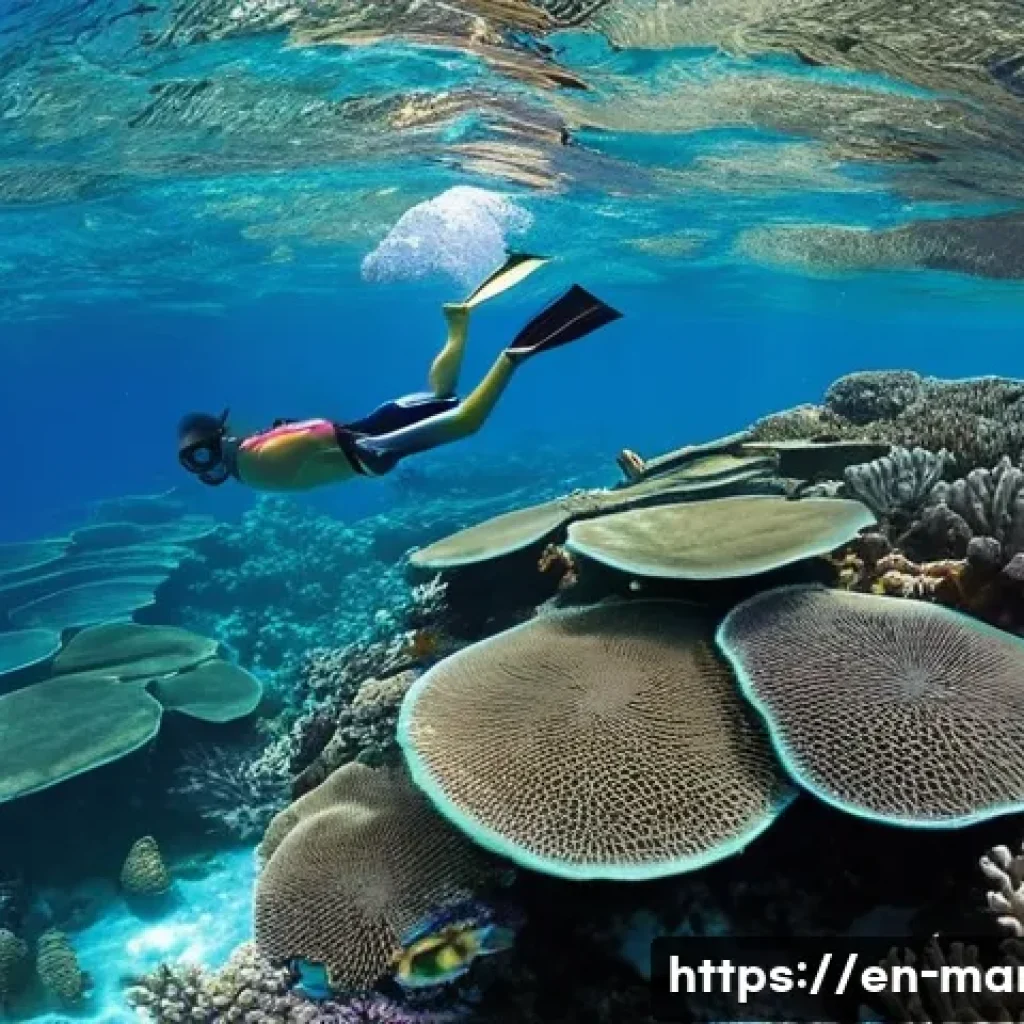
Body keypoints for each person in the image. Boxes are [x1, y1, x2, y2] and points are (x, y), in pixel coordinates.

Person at [177, 254, 622, 491]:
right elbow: (315, 436)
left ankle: (514, 355)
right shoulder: (255, 456)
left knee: (466, 419)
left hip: (368, 448)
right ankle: (459, 321)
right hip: (364, 435)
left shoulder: (252, 470)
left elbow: (317, 444)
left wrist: (298, 436)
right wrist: (290, 432)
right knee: (441, 392)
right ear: (221, 433)